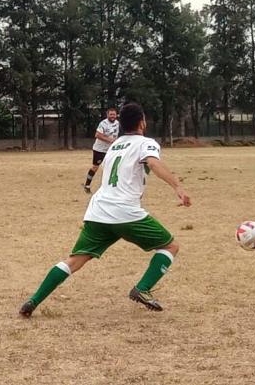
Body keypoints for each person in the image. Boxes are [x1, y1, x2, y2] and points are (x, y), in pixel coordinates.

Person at [20, 103, 190, 316]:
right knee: (170, 246)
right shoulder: (146, 143)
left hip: (98, 211)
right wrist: (178, 187)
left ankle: (33, 301)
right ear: (142, 123)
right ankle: (142, 288)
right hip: (124, 212)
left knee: (74, 261)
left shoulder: (115, 145)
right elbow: (153, 164)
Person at [83, 108, 120, 193]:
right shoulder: (103, 123)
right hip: (99, 149)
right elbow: (97, 135)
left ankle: (110, 187)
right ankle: (87, 185)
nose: (112, 116)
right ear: (107, 115)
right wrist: (110, 140)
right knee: (95, 167)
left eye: (114, 114)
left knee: (112, 167)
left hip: (111, 150)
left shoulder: (118, 123)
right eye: (111, 114)